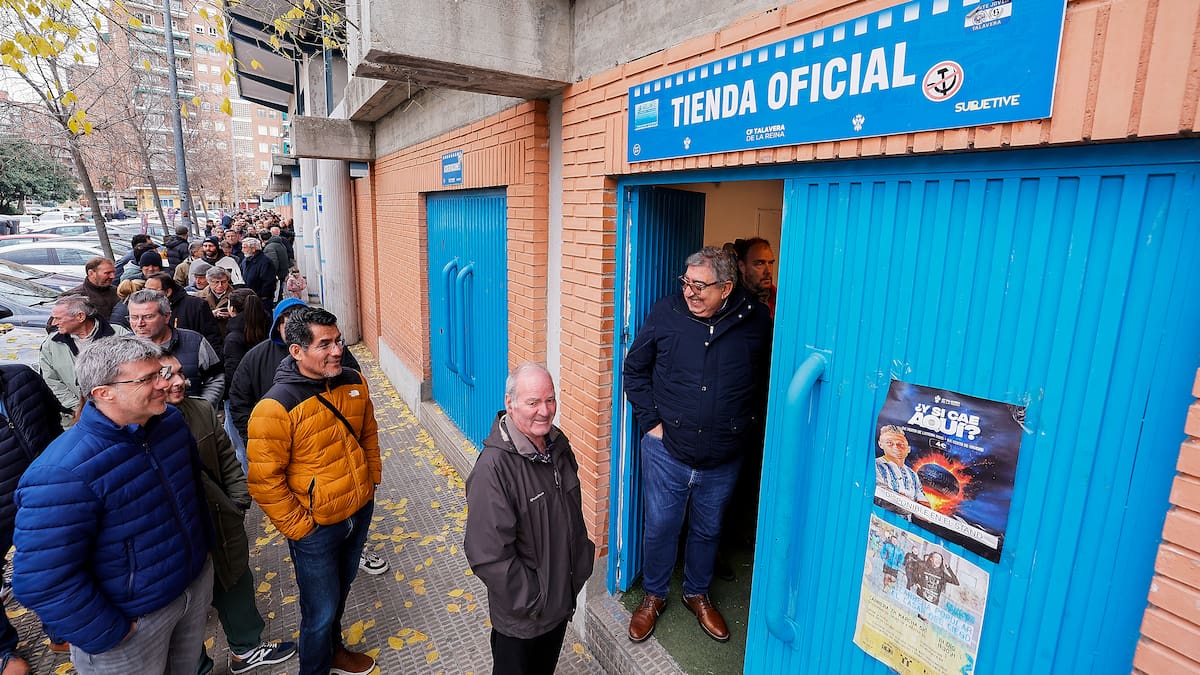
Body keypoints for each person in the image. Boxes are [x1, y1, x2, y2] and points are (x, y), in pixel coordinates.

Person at [12, 336, 213, 675]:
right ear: (103, 392)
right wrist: (109, 633)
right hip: (130, 627)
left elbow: (193, 496)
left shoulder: (170, 425)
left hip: (189, 593)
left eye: (160, 372)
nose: (166, 383)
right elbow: (41, 579)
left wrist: (204, 562)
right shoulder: (60, 473)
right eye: (148, 379)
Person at [622, 246, 772, 644]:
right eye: (686, 282)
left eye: (700, 286)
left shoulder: (756, 322)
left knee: (708, 530)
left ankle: (696, 593)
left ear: (726, 287)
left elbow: (765, 383)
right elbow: (634, 369)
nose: (689, 292)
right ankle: (654, 596)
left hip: (723, 456)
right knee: (660, 528)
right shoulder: (666, 313)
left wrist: (745, 428)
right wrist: (651, 423)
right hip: (666, 451)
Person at [246, 307, 380, 675]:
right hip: (316, 528)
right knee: (319, 611)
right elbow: (264, 481)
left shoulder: (353, 380)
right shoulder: (275, 406)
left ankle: (335, 653)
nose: (337, 350)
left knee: (339, 592)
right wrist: (301, 527)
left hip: (358, 509)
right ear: (296, 351)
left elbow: (368, 432)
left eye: (337, 341)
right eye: (325, 345)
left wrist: (372, 483)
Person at [158, 353, 297, 674]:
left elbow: (228, 459)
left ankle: (246, 650)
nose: (180, 382)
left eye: (181, 373)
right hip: (176, 542)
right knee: (184, 613)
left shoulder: (201, 410)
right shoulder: (136, 430)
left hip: (220, 524)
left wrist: (237, 504)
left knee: (235, 583)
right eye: (168, 375)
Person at [465, 363, 594, 675]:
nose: (544, 411)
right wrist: (536, 598)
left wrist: (574, 570)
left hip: (558, 602)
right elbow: (487, 556)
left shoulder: (557, 445)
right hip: (525, 617)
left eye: (550, 400)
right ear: (510, 403)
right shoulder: (493, 469)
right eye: (533, 402)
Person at [0, 365, 63, 675]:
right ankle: (2, 650)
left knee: (53, 563)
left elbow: (53, 422)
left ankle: (59, 632)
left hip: (43, 497)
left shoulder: (20, 377)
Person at [127, 289, 224, 409]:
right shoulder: (121, 349)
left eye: (148, 317)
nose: (140, 323)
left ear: (167, 316)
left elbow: (216, 378)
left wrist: (202, 408)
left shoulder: (195, 341)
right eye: (134, 317)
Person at [40, 295, 129, 422]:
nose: (53, 323)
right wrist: (79, 407)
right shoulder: (51, 343)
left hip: (120, 415)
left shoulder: (119, 335)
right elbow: (51, 381)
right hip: (76, 417)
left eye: (58, 318)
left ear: (80, 316)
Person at [221, 289, 267, 471]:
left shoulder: (233, 337)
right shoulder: (264, 327)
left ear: (232, 309)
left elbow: (233, 373)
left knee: (242, 447)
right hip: (263, 392)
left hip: (239, 398)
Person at [144, 272, 223, 356]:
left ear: (168, 292)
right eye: (145, 289)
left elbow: (212, 338)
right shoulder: (143, 309)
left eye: (151, 291)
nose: (146, 294)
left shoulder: (196, 305)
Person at [874, 425, 931, 506]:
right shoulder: (875, 465)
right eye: (890, 443)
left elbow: (924, 505)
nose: (896, 447)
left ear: (908, 449)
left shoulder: (912, 475)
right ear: (881, 444)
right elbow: (880, 497)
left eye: (901, 444)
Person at [734, 237, 777, 318]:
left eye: (771, 263)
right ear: (742, 266)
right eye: (760, 264)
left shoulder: (777, 298)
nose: (768, 271)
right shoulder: (729, 301)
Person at [240, 237, 276, 311]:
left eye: (245, 248)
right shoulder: (246, 260)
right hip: (249, 298)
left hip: (261, 300)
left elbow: (268, 282)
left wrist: (262, 296)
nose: (242, 250)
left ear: (253, 249)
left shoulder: (265, 262)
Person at [197, 265, 234, 337]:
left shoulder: (236, 296)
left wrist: (232, 314)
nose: (220, 285)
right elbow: (194, 318)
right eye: (216, 282)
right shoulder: (197, 297)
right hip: (206, 337)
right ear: (208, 281)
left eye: (223, 282)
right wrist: (210, 314)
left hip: (228, 336)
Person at [263, 227, 291, 302]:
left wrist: (272, 274)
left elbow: (273, 262)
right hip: (282, 271)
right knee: (280, 291)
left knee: (277, 292)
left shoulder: (270, 247)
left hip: (277, 274)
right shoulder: (279, 243)